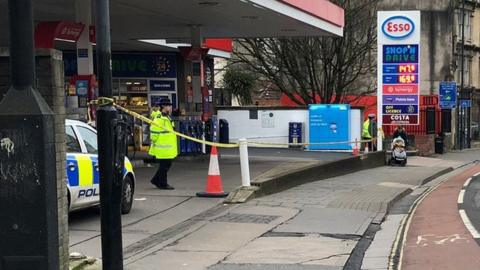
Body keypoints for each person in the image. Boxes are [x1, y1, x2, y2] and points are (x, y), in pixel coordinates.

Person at [149, 98, 177, 190]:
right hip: (162, 146)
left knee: (166, 165)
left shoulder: (166, 116)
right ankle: (163, 183)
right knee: (164, 166)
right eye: (169, 106)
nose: (170, 107)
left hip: (166, 146)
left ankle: (156, 180)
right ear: (164, 107)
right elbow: (154, 131)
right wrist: (154, 141)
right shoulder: (159, 118)